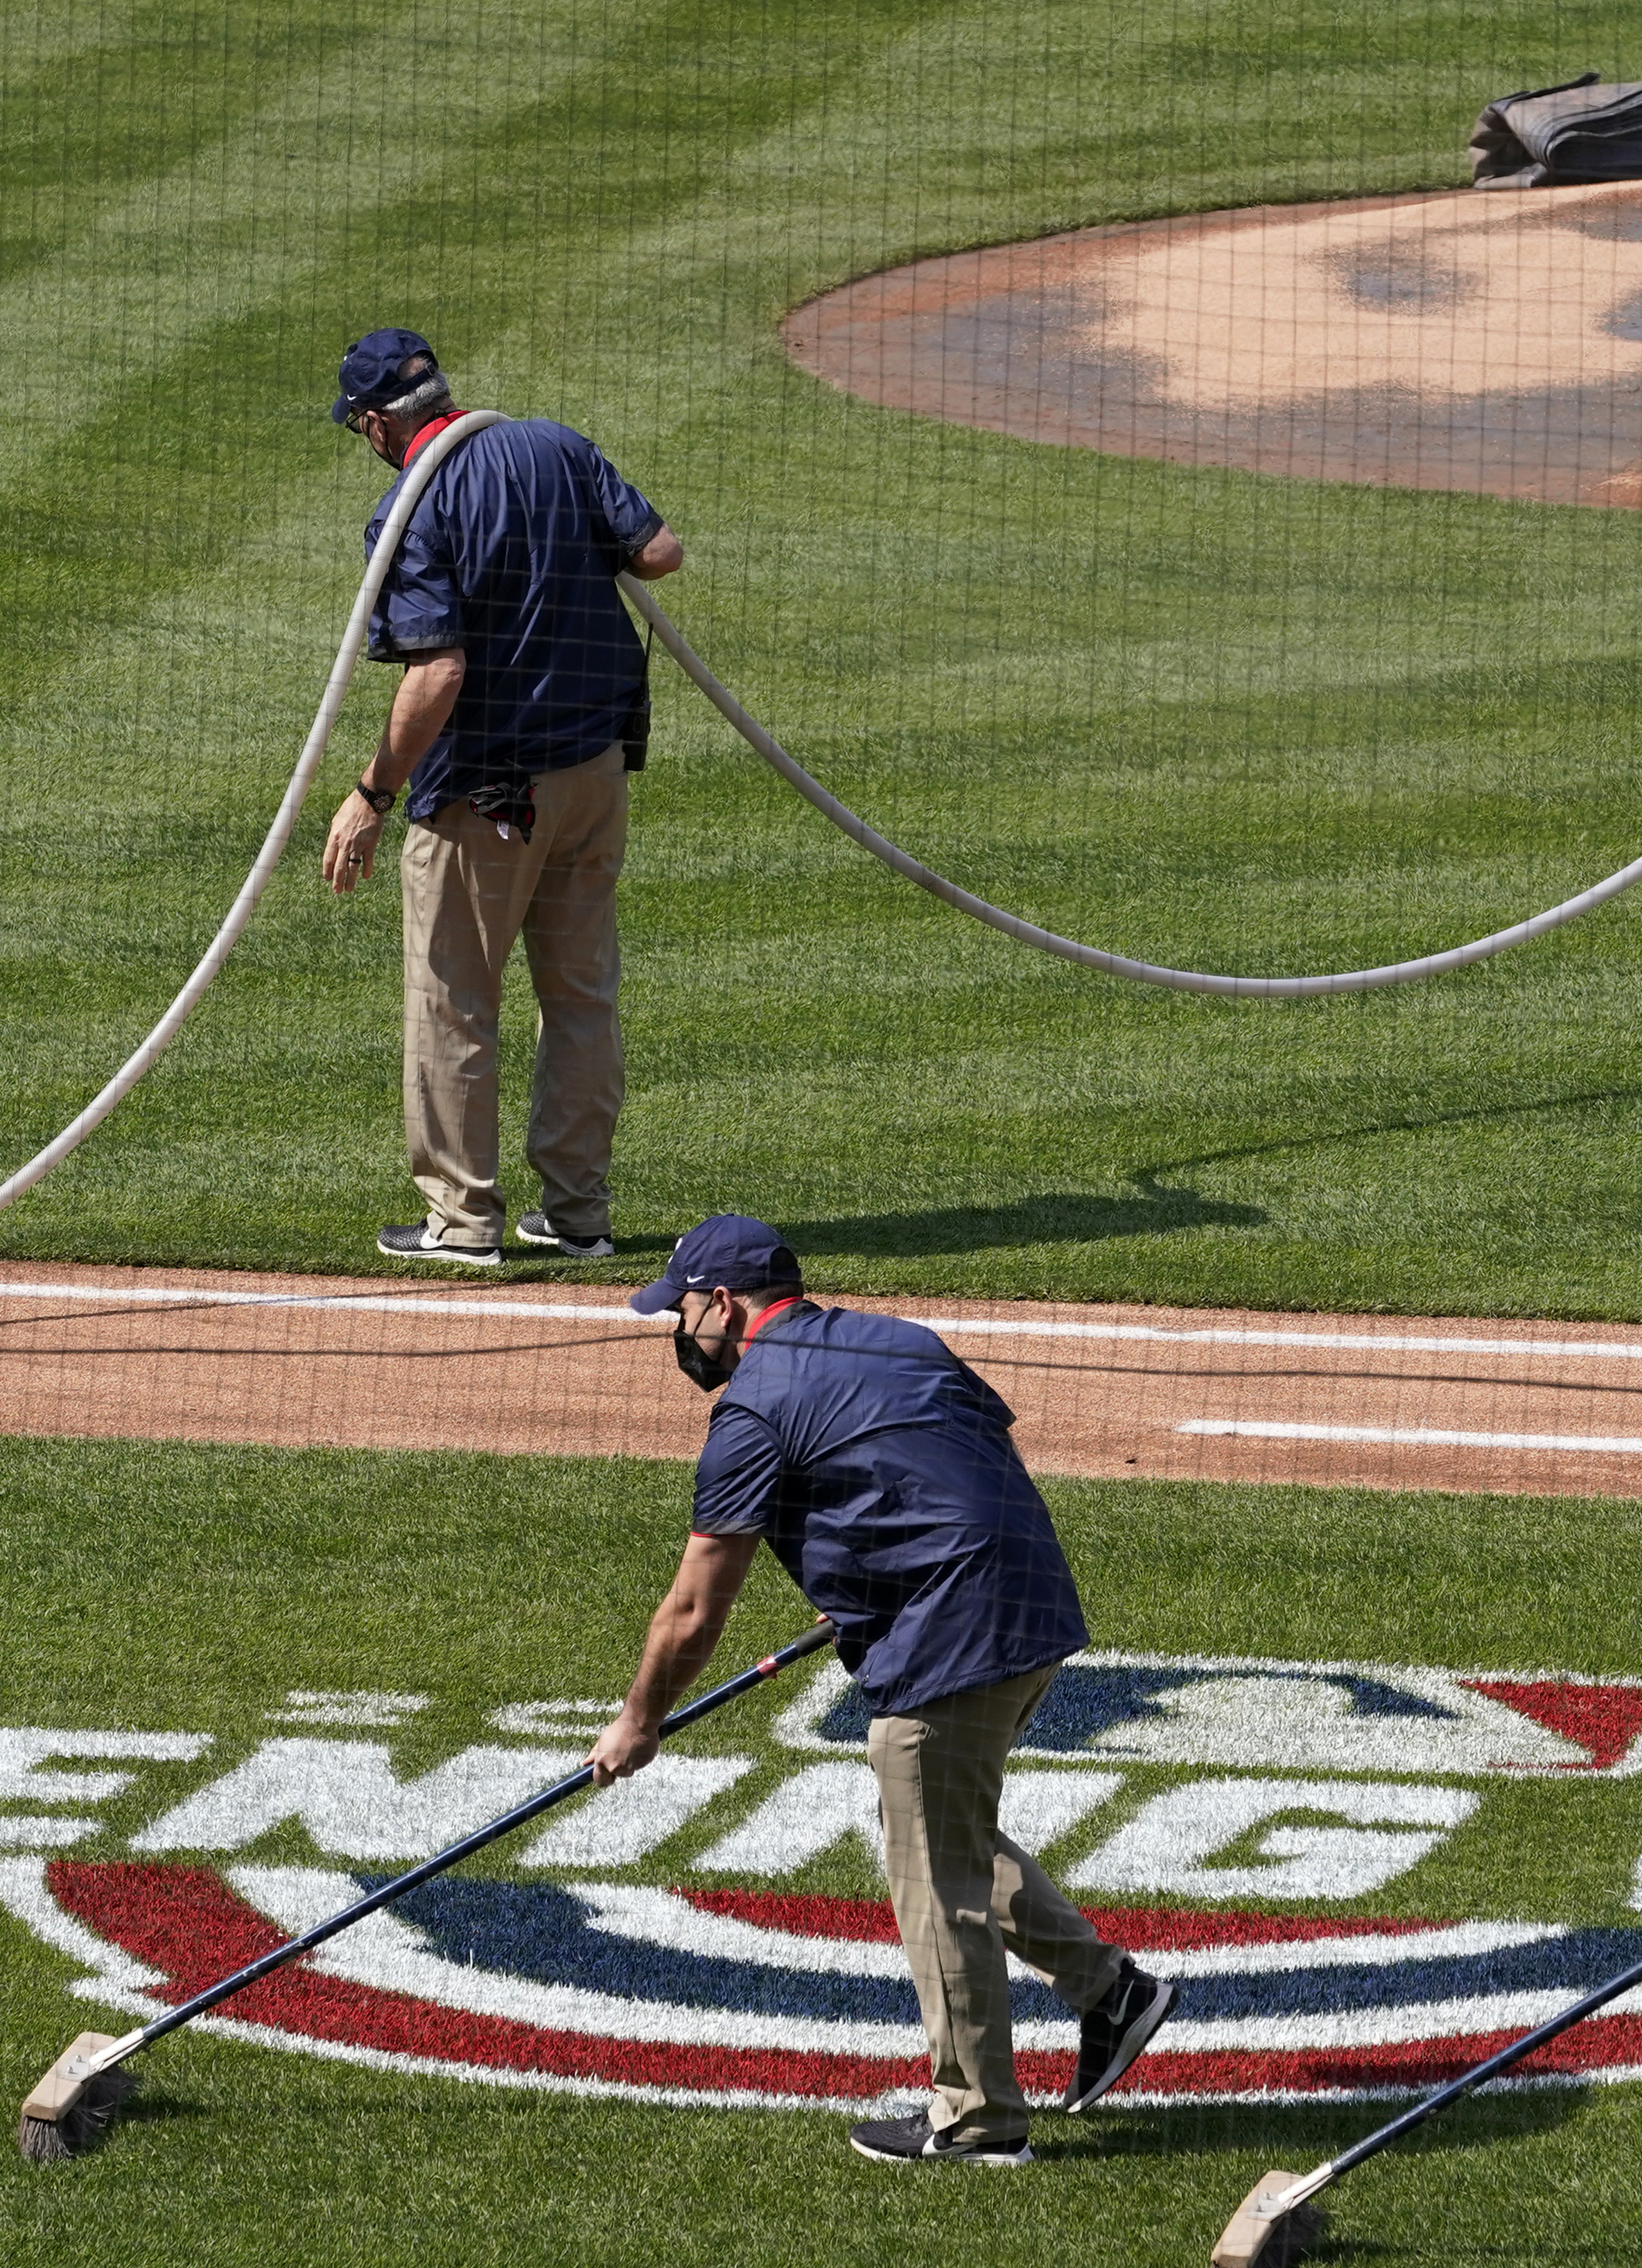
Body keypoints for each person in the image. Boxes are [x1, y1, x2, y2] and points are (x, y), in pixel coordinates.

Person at [588, 1212, 1179, 2163]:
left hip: (954, 1626)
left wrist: (637, 1721)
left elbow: (695, 1607)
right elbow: (966, 1454)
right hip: (1031, 1597)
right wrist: (895, 1563)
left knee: (931, 1875)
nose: (679, 1329)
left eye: (682, 1308)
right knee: (942, 1827)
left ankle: (978, 2120)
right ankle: (1112, 1992)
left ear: (724, 1303)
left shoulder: (750, 1413)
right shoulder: (895, 1336)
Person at [315, 329, 683, 1265]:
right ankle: (577, 1212)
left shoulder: (410, 507)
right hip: (594, 776)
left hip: (485, 798)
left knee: (453, 1004)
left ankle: (462, 1221)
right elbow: (661, 554)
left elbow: (437, 673)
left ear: (373, 425)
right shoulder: (557, 445)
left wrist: (370, 794)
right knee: (581, 998)